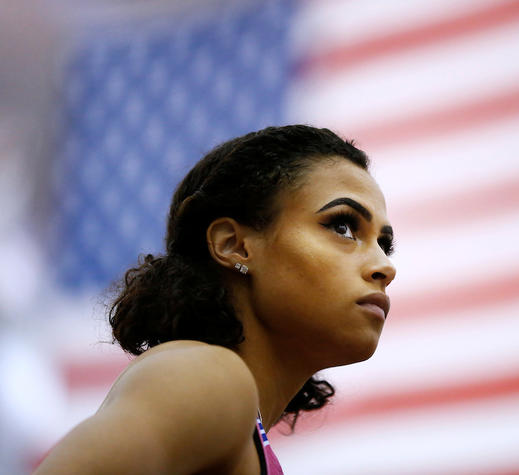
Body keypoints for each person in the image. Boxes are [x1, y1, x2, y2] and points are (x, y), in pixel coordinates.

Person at [34, 125, 396, 474]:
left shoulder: (231, 414)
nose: (385, 266)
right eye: (343, 226)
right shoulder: (211, 378)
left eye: (384, 244)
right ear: (234, 246)